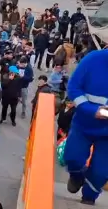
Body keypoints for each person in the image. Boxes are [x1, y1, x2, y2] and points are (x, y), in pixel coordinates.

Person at [63, 50, 108, 205]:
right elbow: (74, 87)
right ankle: (76, 175)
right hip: (84, 123)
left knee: (101, 172)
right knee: (72, 157)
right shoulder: (93, 59)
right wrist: (90, 110)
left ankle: (89, 196)